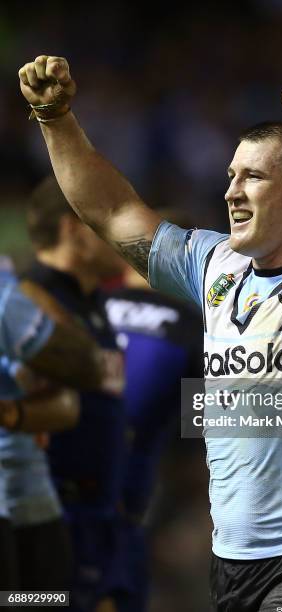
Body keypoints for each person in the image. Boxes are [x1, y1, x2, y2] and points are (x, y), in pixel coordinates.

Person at [19, 56, 282, 612]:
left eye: (253, 176)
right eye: (230, 176)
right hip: (231, 559)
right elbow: (111, 209)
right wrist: (54, 117)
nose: (232, 192)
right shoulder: (213, 265)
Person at [23, 176, 127, 612]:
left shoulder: (95, 304)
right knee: (28, 603)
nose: (123, 235)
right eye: (109, 222)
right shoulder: (26, 301)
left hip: (96, 521)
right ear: (73, 227)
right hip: (43, 520)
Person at [105, 255, 203, 612]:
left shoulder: (84, 307)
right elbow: (205, 443)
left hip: (46, 492)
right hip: (127, 508)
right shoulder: (194, 330)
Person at [0, 255, 103, 590]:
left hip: (34, 498)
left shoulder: (98, 302)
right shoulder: (13, 295)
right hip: (51, 503)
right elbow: (88, 370)